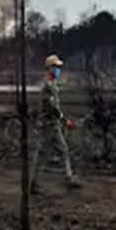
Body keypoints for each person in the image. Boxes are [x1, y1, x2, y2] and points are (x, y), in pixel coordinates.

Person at [29, 54, 81, 194]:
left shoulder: (52, 85)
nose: (58, 70)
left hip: (53, 125)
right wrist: (65, 121)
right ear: (50, 68)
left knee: (62, 151)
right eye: (56, 67)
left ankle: (69, 178)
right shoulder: (48, 86)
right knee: (42, 155)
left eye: (59, 67)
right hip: (48, 126)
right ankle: (33, 183)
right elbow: (52, 108)